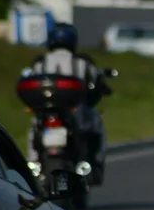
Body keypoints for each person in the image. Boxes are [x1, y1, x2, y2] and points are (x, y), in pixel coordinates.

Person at [27, 22, 110, 184]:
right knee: (96, 123)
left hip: (47, 114)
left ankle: (33, 164)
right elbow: (97, 83)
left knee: (33, 129)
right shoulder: (83, 63)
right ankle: (96, 161)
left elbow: (29, 82)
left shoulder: (40, 63)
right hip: (75, 114)